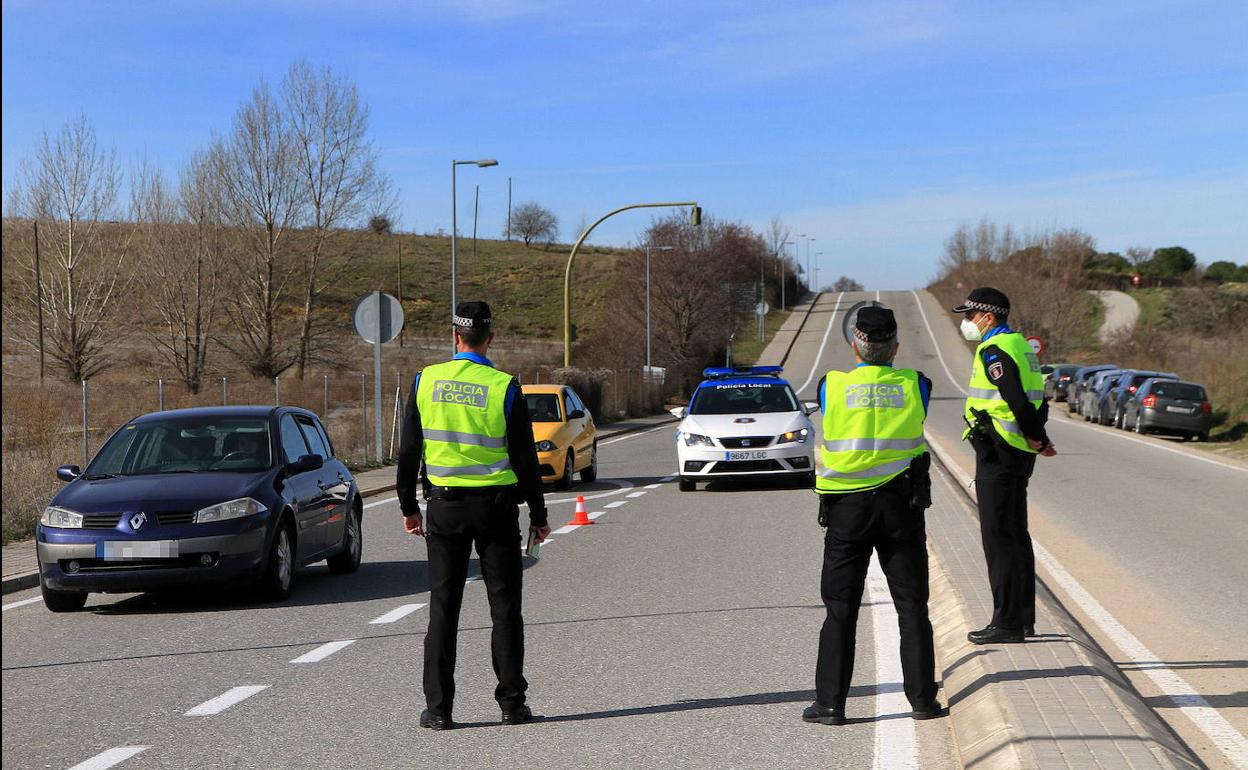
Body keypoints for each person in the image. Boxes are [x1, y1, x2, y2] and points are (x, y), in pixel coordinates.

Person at [396, 301, 551, 730]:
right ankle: (511, 704)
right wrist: (538, 514)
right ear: (490, 338)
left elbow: (410, 450)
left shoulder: (425, 381)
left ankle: (440, 710)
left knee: (443, 608)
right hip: (497, 508)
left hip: (444, 506)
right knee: (504, 609)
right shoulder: (504, 386)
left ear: (454, 337)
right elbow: (524, 458)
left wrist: (409, 506)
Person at [802, 306, 943, 726]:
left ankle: (830, 704)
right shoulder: (918, 384)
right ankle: (922, 701)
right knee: (912, 605)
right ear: (896, 347)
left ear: (855, 345)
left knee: (840, 608)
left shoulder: (833, 385)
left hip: (848, 509)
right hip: (901, 506)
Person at [951, 287, 1057, 645]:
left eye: (969, 316)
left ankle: (1006, 622)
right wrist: (1039, 437)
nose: (966, 323)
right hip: (1018, 450)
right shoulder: (1022, 346)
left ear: (987, 317)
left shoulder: (994, 349)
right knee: (1015, 535)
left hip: (999, 450)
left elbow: (1013, 396)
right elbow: (1037, 399)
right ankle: (1023, 618)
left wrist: (1034, 436)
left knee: (998, 538)